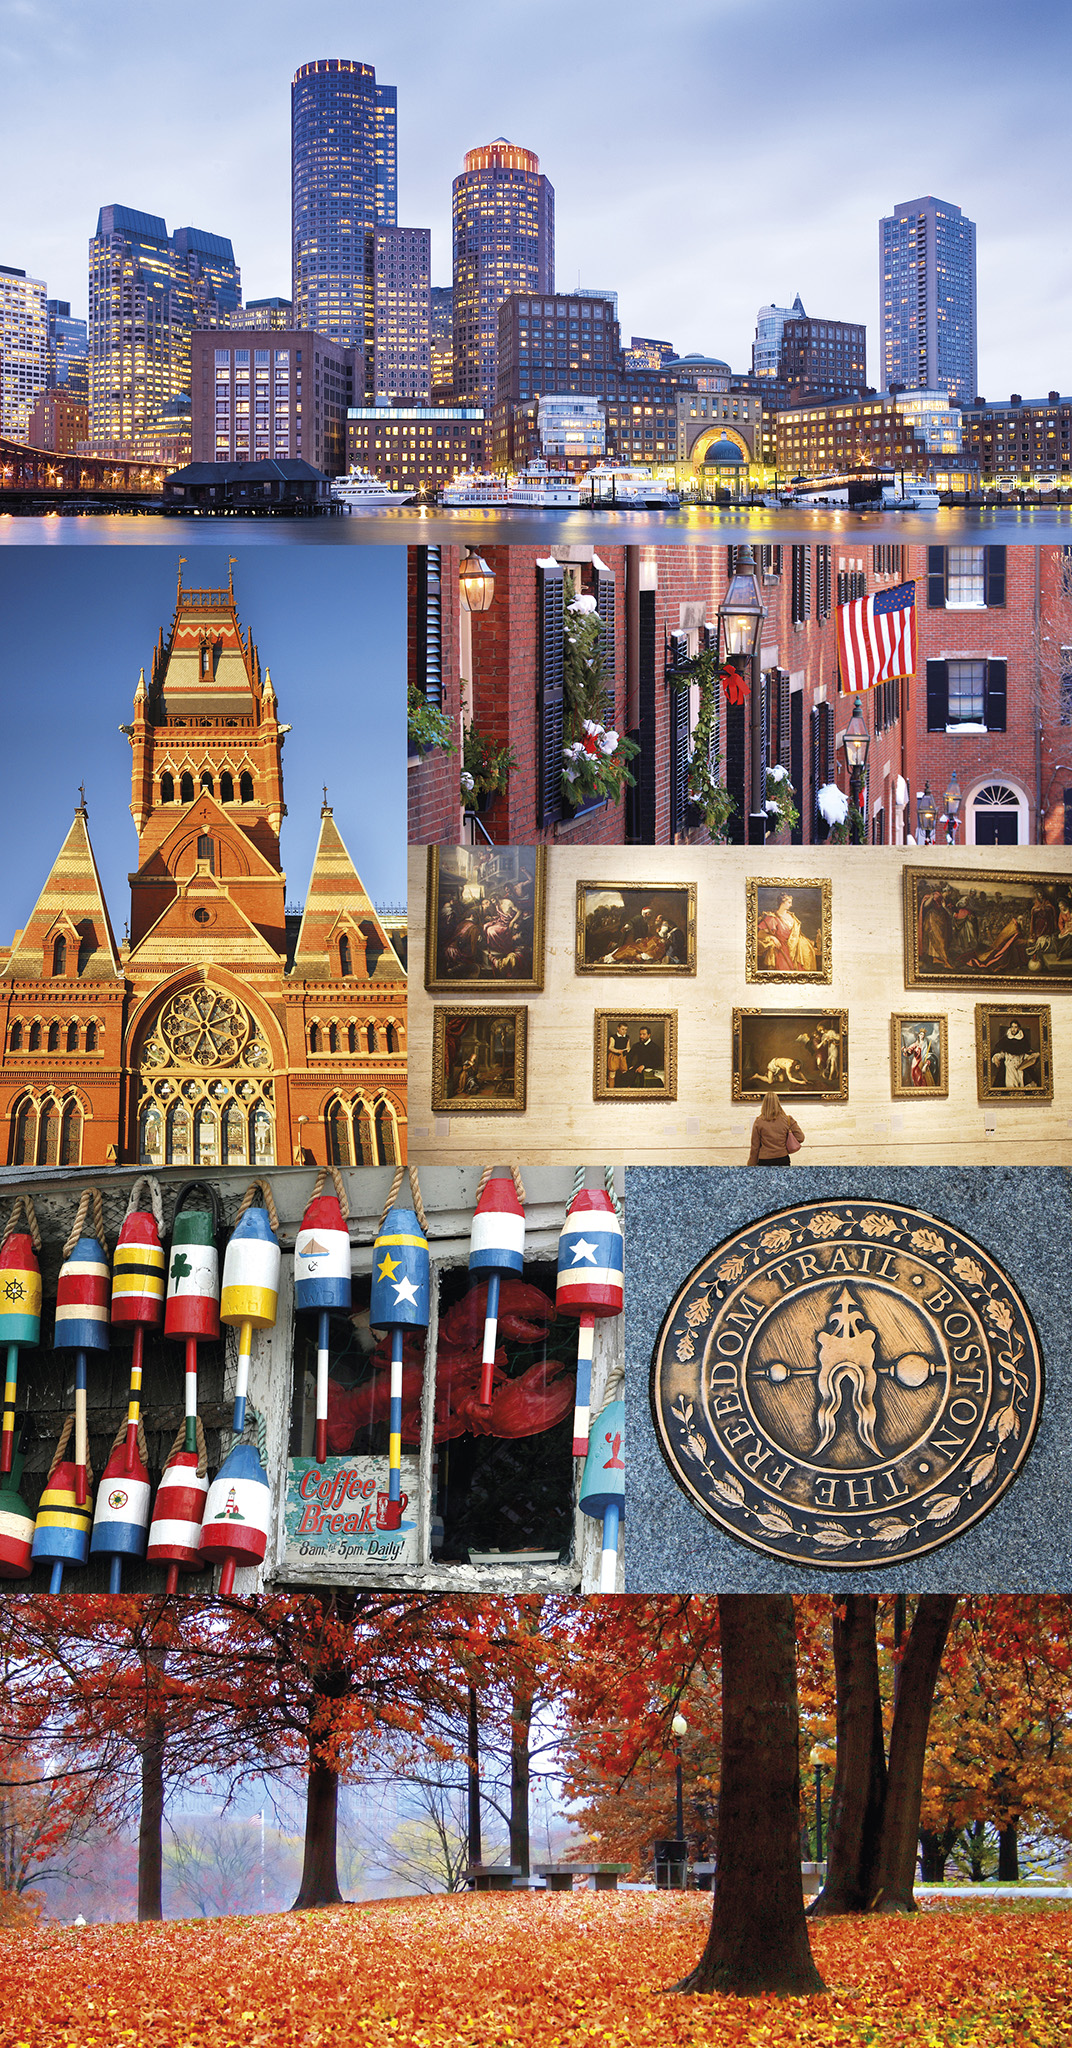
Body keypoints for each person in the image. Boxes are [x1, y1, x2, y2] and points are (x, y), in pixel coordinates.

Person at [748, 1090, 805, 1167]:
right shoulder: (787, 1119)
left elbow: (755, 1147)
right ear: (778, 1103)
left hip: (764, 1160)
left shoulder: (759, 1122)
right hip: (782, 1158)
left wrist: (751, 1165)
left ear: (764, 1104)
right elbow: (800, 1137)